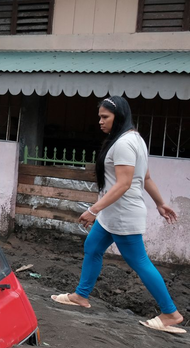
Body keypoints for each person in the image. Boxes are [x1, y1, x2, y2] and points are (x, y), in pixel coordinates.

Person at [50, 95, 185, 335]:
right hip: (113, 214)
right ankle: (80, 295)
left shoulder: (123, 143)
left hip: (122, 214)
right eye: (99, 117)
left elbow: (123, 184)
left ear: (119, 116)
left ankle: (170, 313)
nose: (100, 122)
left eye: (105, 117)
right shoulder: (135, 139)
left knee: (139, 262)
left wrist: (93, 209)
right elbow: (145, 179)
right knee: (93, 246)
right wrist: (160, 204)